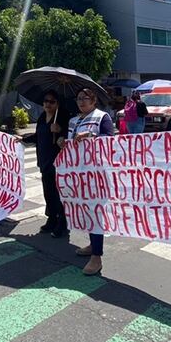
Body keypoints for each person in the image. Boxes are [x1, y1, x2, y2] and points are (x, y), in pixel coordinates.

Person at [68, 87, 114, 276]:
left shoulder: (102, 117)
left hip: (96, 175)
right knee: (87, 213)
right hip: (79, 175)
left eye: (85, 98)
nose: (81, 101)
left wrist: (89, 135)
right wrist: (63, 142)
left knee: (96, 214)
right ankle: (92, 244)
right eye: (78, 98)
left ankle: (97, 257)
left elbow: (110, 140)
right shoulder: (73, 120)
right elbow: (71, 146)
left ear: (94, 100)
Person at [35, 91, 71, 238]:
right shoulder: (42, 117)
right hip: (44, 160)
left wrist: (61, 131)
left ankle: (62, 222)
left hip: (58, 162)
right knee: (48, 193)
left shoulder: (64, 117)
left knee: (58, 194)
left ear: (57, 103)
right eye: (45, 101)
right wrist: (24, 138)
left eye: (51, 101)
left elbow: (70, 136)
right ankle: (51, 218)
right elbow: (38, 136)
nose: (47, 104)